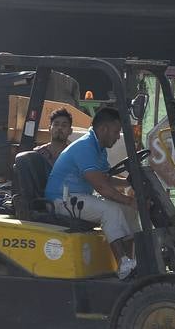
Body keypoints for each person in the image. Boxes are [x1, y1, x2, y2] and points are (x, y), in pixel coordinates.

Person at [45, 106, 139, 279]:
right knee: (111, 210)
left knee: (129, 210)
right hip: (62, 200)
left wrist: (128, 183)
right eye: (116, 131)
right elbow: (101, 187)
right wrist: (128, 199)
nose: (118, 137)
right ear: (103, 129)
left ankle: (134, 260)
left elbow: (106, 178)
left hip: (78, 197)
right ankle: (123, 263)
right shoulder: (85, 147)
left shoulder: (98, 148)